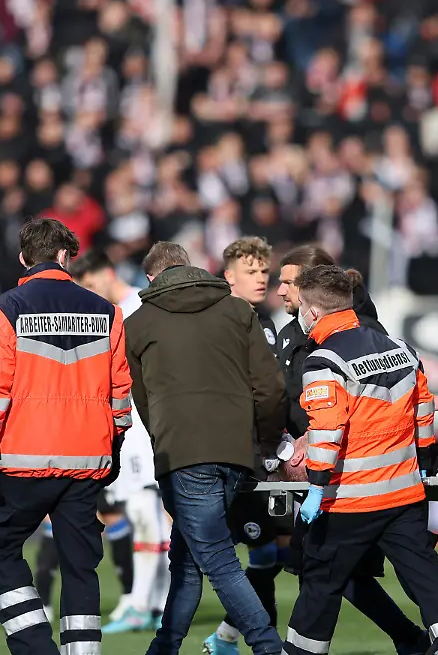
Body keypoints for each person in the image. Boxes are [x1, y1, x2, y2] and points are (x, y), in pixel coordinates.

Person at [283, 265, 438, 655]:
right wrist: (422, 463)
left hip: (349, 499)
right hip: (404, 493)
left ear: (315, 312)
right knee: (427, 579)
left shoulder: (323, 362)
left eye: (302, 305)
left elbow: (326, 433)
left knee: (320, 587)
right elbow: (423, 412)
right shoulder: (400, 348)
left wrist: (317, 487)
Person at [0, 218, 133, 655]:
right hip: (86, 462)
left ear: (24, 259)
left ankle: (36, 647)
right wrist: (114, 445)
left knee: (0, 550)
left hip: (24, 460)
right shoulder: (107, 312)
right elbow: (121, 394)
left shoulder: (5, 309)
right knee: (81, 567)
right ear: (67, 256)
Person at [125, 241, 286, 655]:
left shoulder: (138, 323)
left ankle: (270, 648)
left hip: (182, 453)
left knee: (215, 559)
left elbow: (140, 398)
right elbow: (269, 387)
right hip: (236, 453)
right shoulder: (237, 311)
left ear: (150, 278)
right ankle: (164, 647)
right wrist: (265, 441)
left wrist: (164, 440)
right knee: (188, 557)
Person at [72, 251, 171, 633]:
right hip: (126, 426)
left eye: (93, 286)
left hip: (143, 425)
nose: (92, 295)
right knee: (144, 515)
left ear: (105, 274)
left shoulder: (136, 309)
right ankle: (153, 603)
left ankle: (142, 602)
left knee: (148, 513)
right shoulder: (112, 312)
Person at [205, 237, 292, 655]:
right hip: (234, 454)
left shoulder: (265, 323)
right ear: (229, 277)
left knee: (268, 550)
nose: (261, 279)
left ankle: (232, 636)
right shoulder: (225, 322)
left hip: (262, 454)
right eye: (251, 272)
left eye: (263, 271)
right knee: (252, 551)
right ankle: (227, 637)